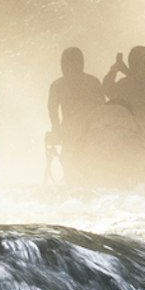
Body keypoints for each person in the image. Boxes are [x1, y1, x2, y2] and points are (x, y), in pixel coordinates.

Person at [108, 46, 145, 188]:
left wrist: (116, 69)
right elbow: (137, 82)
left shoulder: (126, 84)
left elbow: (108, 88)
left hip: (130, 136)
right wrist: (123, 70)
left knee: (130, 175)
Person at [45, 46, 100, 187]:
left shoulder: (58, 85)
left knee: (71, 163)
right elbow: (101, 106)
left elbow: (52, 110)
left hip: (71, 130)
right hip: (89, 131)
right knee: (86, 164)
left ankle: (74, 190)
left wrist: (56, 129)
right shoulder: (92, 82)